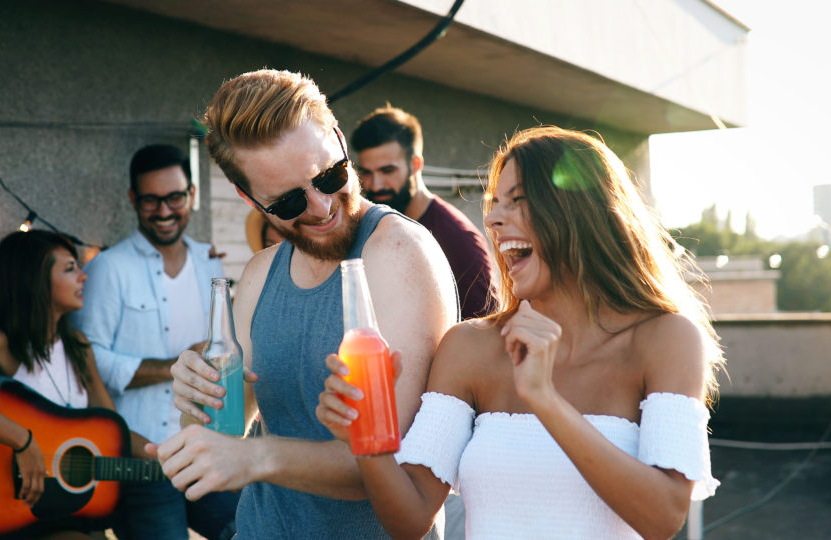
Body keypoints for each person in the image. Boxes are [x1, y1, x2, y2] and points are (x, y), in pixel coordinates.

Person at [316, 126, 724, 539]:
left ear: (580, 211)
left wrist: (545, 400)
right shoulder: (468, 346)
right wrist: (366, 438)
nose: (492, 218)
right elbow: (410, 520)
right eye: (495, 203)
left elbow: (663, 518)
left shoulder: (666, 338)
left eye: (518, 201)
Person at [149, 69, 458, 539]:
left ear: (338, 138)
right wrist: (197, 398)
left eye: (331, 175)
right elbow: (226, 430)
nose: (322, 206)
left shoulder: (399, 253)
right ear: (248, 197)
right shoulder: (260, 272)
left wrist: (258, 457)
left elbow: (394, 464)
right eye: (290, 202)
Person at [0, 230, 150, 539]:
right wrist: (22, 441)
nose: (84, 277)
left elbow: (113, 433)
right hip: (5, 507)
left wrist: (168, 458)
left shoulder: (78, 347)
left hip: (62, 511)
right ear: (35, 281)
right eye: (70, 268)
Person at [70, 144, 238, 540]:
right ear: (133, 199)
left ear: (192, 195)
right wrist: (177, 365)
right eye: (151, 200)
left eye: (174, 197)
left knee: (248, 530)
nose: (164, 211)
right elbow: (88, 359)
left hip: (204, 447)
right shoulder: (109, 269)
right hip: (144, 459)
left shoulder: (210, 262)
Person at [351, 105, 495, 320]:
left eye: (388, 170)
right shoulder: (364, 227)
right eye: (366, 173)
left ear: (415, 164)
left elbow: (486, 333)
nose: (376, 185)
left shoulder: (459, 239)